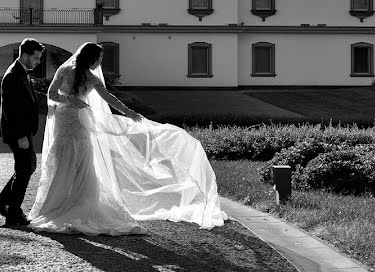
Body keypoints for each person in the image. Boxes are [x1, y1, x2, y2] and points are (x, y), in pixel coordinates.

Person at [25, 42, 227, 235]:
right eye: (100, 58)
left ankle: (72, 202)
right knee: (66, 158)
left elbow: (102, 98)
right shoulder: (72, 73)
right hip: (69, 119)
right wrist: (75, 101)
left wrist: (128, 112)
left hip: (75, 118)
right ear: (92, 59)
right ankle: (62, 204)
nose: (100, 62)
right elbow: (56, 94)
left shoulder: (83, 75)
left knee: (81, 160)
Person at [0, 38, 43, 227]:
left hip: (22, 130)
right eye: (36, 58)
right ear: (26, 55)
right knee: (24, 170)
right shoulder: (13, 74)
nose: (38, 62)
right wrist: (21, 135)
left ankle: (2, 203)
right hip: (17, 131)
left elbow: (29, 98)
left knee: (26, 168)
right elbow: (11, 110)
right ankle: (13, 212)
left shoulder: (21, 71)